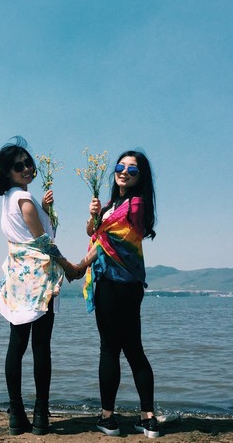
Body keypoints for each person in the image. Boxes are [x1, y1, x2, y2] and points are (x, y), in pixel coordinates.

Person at [0, 136, 85, 436]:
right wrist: (70, 267)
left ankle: (17, 414)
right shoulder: (24, 199)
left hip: (18, 281)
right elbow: (44, 242)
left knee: (16, 345)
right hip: (40, 280)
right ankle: (41, 414)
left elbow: (31, 234)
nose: (27, 169)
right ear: (7, 172)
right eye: (19, 166)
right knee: (41, 346)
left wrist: (46, 209)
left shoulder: (9, 200)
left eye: (29, 163)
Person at [77, 150, 160, 438]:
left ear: (140, 177)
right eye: (120, 166)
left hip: (116, 284)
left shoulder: (135, 205)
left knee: (111, 349)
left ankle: (108, 418)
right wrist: (94, 215)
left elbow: (105, 241)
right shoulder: (113, 204)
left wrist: (79, 266)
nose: (124, 172)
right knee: (133, 349)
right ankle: (148, 418)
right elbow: (93, 232)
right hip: (124, 283)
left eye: (132, 170)